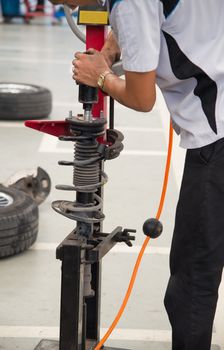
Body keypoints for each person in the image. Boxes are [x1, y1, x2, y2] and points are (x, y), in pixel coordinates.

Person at [49, 1, 224, 349]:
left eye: (62, 0)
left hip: (217, 141)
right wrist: (110, 51)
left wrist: (99, 77)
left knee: (192, 284)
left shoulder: (129, 3)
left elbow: (142, 98)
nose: (63, 6)